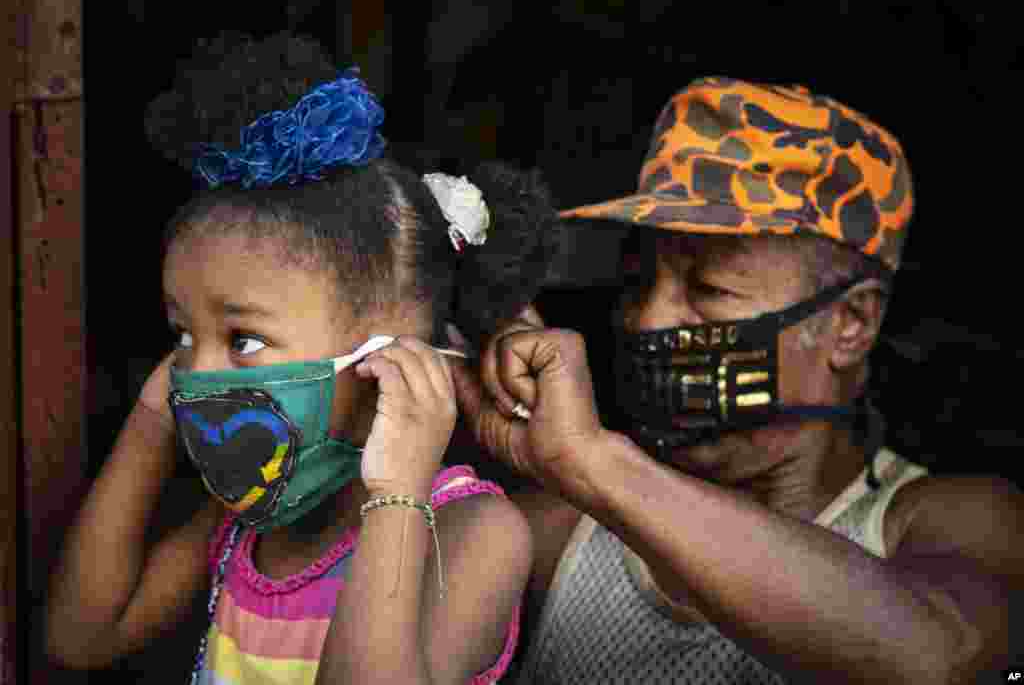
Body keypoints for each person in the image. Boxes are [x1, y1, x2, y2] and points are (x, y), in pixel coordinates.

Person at [450, 77, 1024, 683]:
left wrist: (593, 462)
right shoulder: (552, 536)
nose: (649, 316)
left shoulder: (958, 521)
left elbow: (947, 665)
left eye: (708, 289)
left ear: (852, 323)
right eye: (643, 280)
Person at [43, 56, 561, 684]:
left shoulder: (474, 531)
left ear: (389, 365)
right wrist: (155, 413)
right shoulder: (243, 527)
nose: (197, 373)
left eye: (244, 338)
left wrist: (398, 490)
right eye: (183, 334)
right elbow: (83, 636)